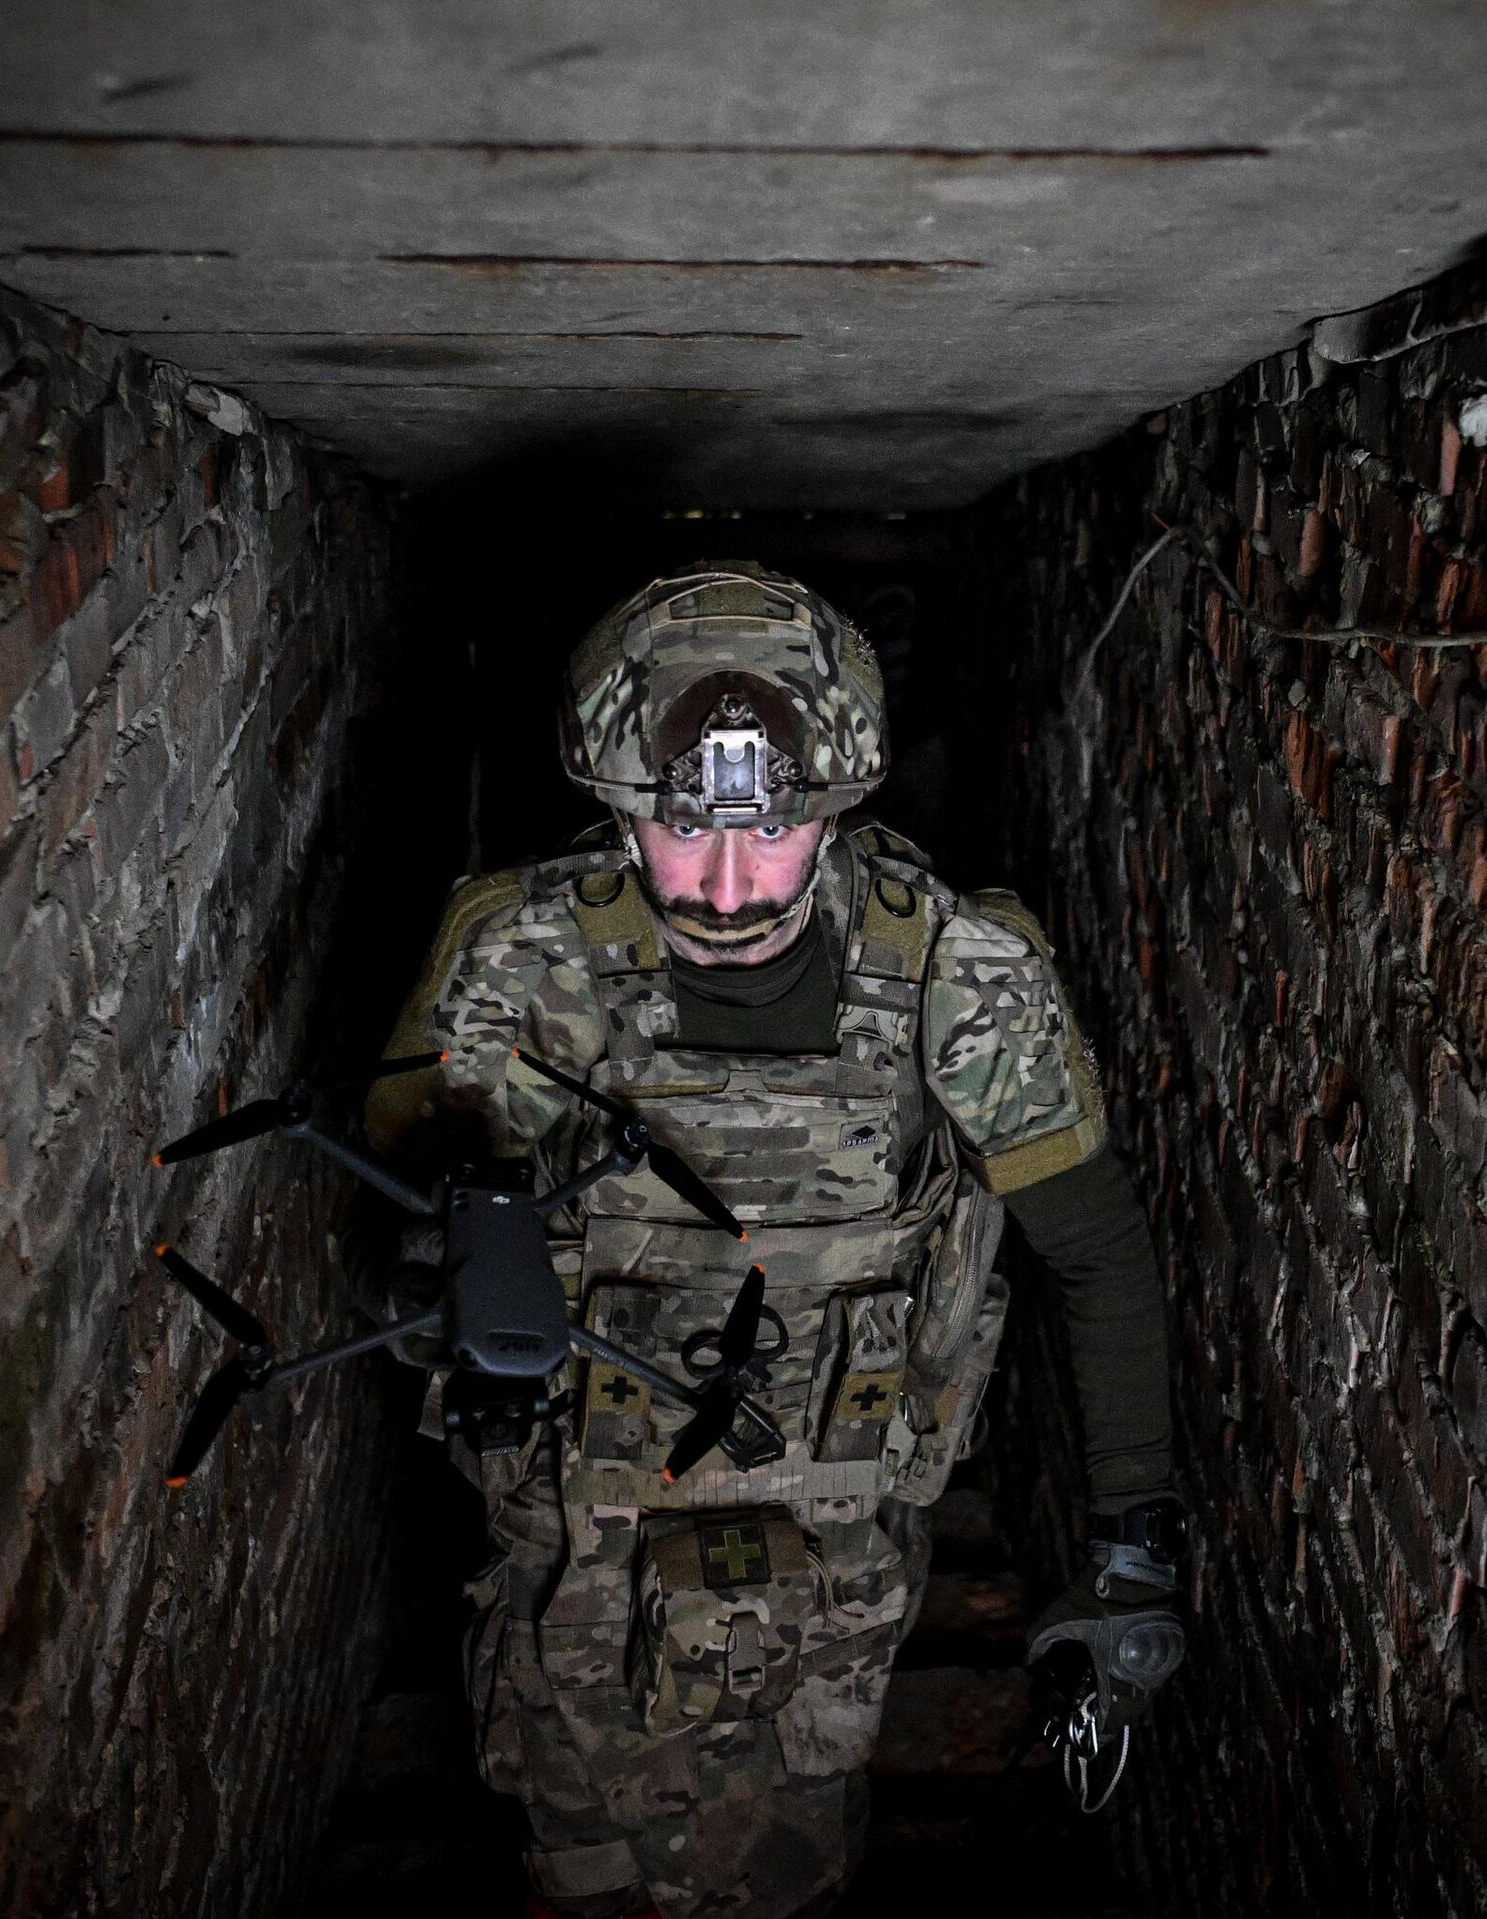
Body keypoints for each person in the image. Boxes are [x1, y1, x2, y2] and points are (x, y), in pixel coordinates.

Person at [364, 563, 1186, 1919]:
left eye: (779, 833)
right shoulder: (524, 959)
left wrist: (1132, 1540)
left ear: (835, 808)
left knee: (799, 1849)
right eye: (684, 833)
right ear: (620, 809)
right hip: (578, 1539)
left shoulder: (958, 974)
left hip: (842, 1535)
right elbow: (400, 1206)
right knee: (577, 1853)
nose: (732, 887)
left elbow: (1092, 1248)